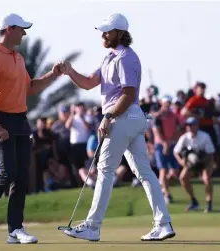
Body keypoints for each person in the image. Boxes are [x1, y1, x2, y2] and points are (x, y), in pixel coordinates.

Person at [60, 13, 175, 242]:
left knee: (105, 169)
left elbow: (129, 93)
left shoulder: (126, 57)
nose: (103, 34)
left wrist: (108, 116)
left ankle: (92, 226)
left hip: (124, 115)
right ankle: (163, 224)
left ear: (120, 33)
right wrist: (70, 71)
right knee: (143, 172)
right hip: (129, 118)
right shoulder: (109, 57)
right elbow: (88, 83)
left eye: (107, 31)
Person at [0, 13, 65, 244]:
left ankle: (15, 230)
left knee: (21, 176)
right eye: (21, 29)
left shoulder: (18, 58)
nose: (25, 33)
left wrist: (53, 74)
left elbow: (30, 87)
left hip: (19, 119)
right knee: (7, 171)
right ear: (9, 29)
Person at [174, 117, 216, 213]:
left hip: (205, 160)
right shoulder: (184, 137)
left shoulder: (205, 136)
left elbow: (210, 153)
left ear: (197, 126)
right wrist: (181, 161)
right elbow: (176, 152)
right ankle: (194, 201)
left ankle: (209, 203)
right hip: (192, 163)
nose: (189, 127)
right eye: (188, 125)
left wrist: (206, 164)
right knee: (183, 178)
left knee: (207, 179)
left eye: (191, 125)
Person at [152, 96, 182, 204]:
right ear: (162, 103)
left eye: (169, 103)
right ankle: (166, 194)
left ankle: (161, 186)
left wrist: (170, 143)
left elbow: (178, 130)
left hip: (172, 145)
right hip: (160, 145)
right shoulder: (157, 117)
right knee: (163, 170)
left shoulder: (174, 116)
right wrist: (165, 144)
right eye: (166, 103)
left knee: (174, 171)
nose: (167, 105)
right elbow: (157, 132)